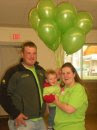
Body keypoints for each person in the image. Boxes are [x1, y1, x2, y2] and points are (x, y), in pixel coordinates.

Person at [0, 41, 47, 130]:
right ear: (22, 54)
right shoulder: (13, 72)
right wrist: (15, 114)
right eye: (28, 53)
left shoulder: (40, 70)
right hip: (22, 121)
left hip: (40, 119)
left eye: (34, 53)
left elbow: (50, 84)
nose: (32, 56)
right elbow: (2, 95)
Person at [53, 62, 88, 130]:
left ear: (74, 74)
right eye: (63, 73)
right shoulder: (62, 88)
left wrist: (56, 102)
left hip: (73, 127)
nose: (65, 76)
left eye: (68, 73)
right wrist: (56, 76)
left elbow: (70, 109)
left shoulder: (78, 88)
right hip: (58, 127)